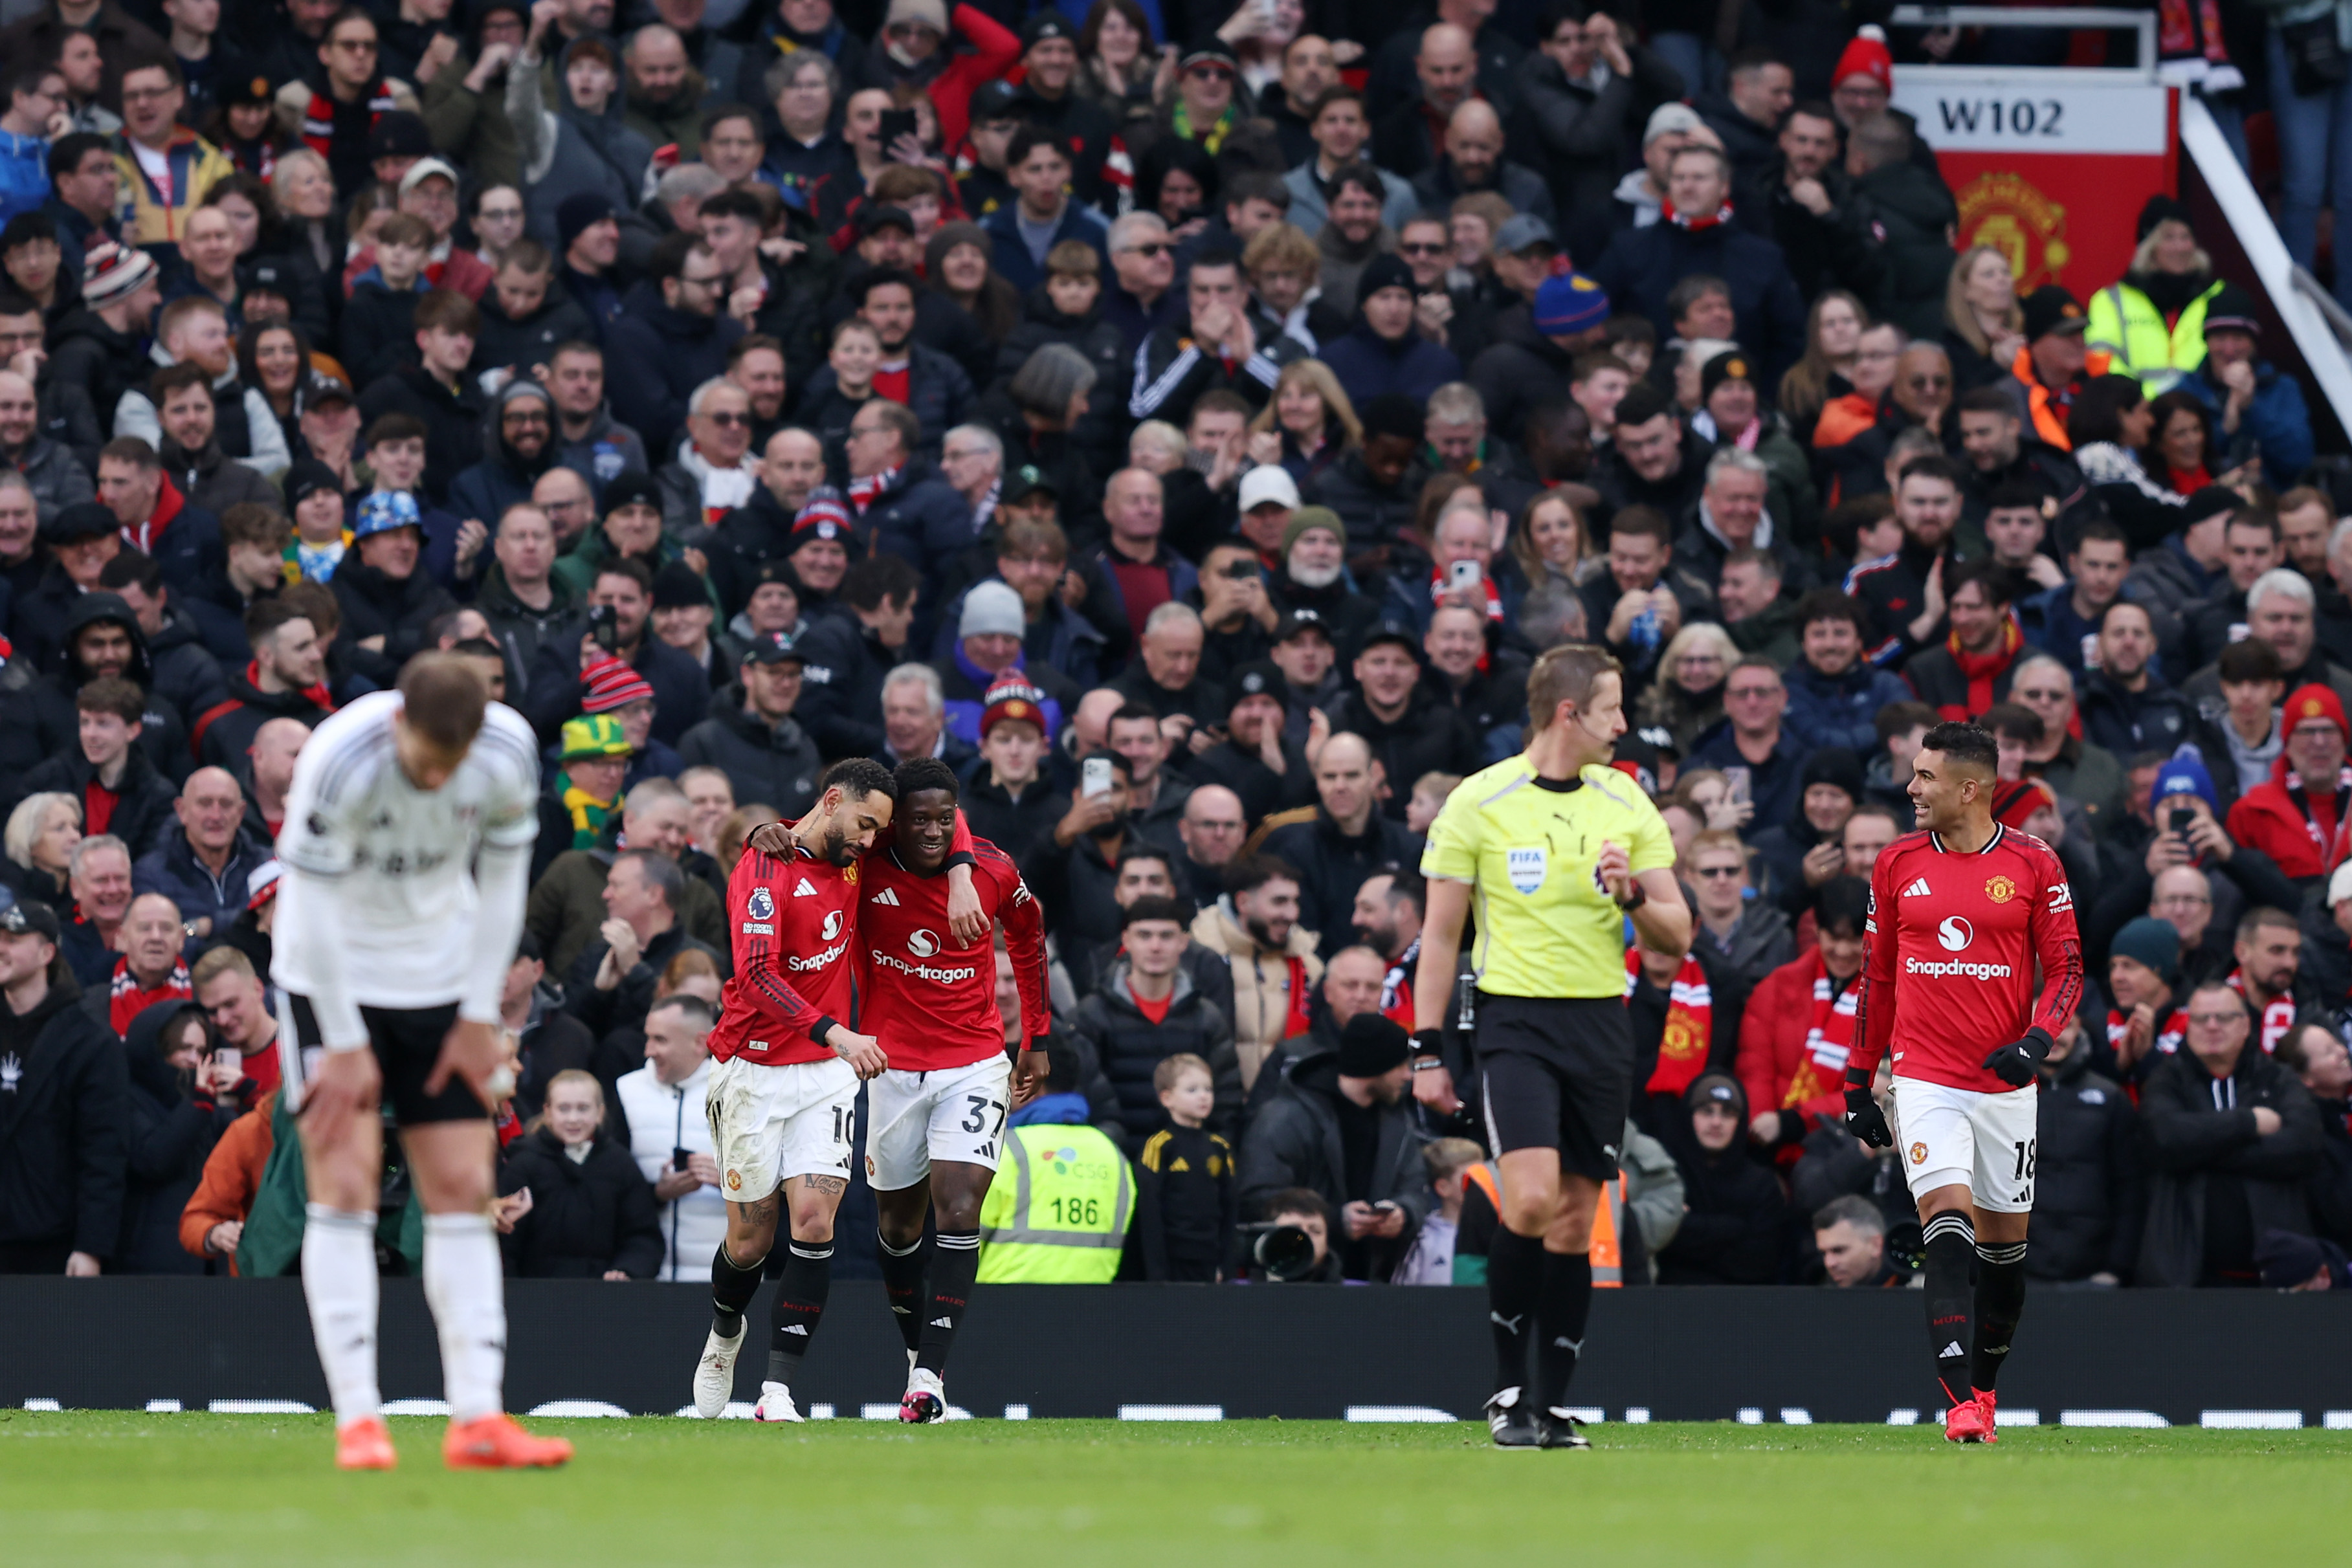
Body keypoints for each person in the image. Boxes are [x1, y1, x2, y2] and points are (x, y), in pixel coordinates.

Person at [270, 652, 572, 1470]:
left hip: (440, 978)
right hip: (328, 976)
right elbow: (310, 905)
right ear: (398, 720)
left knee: (463, 1188)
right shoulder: (341, 759)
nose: (439, 779)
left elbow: (506, 877)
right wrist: (341, 1038)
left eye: (453, 762)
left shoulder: (506, 752)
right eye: (425, 761)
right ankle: (359, 1421)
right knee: (344, 1183)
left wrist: (479, 1015)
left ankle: (477, 1416)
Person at [1415, 643, 1691, 1447]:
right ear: (1570, 712)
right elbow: (1440, 938)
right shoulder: (1479, 800)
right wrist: (1427, 1048)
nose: (1624, 722)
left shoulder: (1625, 802)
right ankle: (1506, 1393)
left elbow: (1676, 938)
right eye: (1612, 706)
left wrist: (1633, 893)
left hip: (1601, 1023)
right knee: (1529, 1197)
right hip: (1514, 1022)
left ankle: (1550, 1404)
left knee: (1576, 1221)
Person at [688, 758, 979, 1424]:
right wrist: (837, 1030)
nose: (873, 841)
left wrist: (960, 869)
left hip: (823, 1072)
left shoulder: (854, 857)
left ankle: (777, 1391)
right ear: (831, 800)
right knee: (750, 1242)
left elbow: (946, 811)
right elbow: (757, 972)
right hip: (752, 1066)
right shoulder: (764, 870)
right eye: (866, 824)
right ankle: (724, 1330)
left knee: (814, 1223)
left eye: (881, 829)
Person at [1844, 721, 2083, 1442]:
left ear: (1968, 788)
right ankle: (1958, 1405)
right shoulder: (1894, 863)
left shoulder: (2035, 862)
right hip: (1925, 1080)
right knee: (1946, 1231)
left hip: (2005, 1088)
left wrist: (2037, 1041)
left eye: (1924, 777)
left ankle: (1983, 1388)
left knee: (2003, 1259)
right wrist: (1859, 1082)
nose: (1910, 788)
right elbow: (1875, 977)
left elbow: (2067, 966)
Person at [856, 758, 1047, 1422]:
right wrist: (766, 829)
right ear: (893, 822)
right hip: (889, 1067)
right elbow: (813, 833)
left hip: (972, 1059)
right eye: (919, 819)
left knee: (960, 1203)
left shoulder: (992, 868)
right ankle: (917, 1360)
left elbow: (1029, 933)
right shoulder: (867, 861)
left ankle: (931, 1375)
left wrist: (1037, 1036)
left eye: (945, 818)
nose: (933, 831)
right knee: (898, 1225)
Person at [2135, 979, 2324, 1287]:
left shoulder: (2277, 1077)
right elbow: (2165, 1139)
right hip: (2184, 1273)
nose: (2211, 1026)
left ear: (2246, 1025)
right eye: (2200, 1019)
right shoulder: (2167, 1080)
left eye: (2223, 1018)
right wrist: (2248, 1123)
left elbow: (2304, 1146)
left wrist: (2201, 1152)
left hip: (2278, 1275)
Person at [0, 898, 124, 1276]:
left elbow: (103, 1152)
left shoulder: (89, 1041)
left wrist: (92, 1246)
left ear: (46, 953)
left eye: (13, 939)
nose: (1, 948)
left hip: (50, 1241)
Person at [494, 1068, 662, 1277]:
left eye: (583, 1109)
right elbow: (505, 1243)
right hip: (536, 1297)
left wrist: (628, 1270)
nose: (573, 1119)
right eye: (563, 1109)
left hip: (603, 1298)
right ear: (547, 1112)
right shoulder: (523, 1165)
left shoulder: (621, 1165)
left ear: (600, 1113)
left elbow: (643, 1236)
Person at [616, 992, 724, 1283]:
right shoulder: (625, 1091)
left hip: (728, 1283)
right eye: (648, 1038)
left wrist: (733, 1181)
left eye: (660, 1040)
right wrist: (656, 1193)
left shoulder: (740, 1093)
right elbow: (608, 1190)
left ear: (700, 1043)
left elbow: (779, 1186)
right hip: (647, 1281)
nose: (648, 1050)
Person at [1814, 1193, 1900, 1287]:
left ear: (1876, 1245)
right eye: (1824, 1253)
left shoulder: (1911, 1291)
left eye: (1839, 1250)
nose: (1829, 1263)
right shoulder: (1822, 1296)